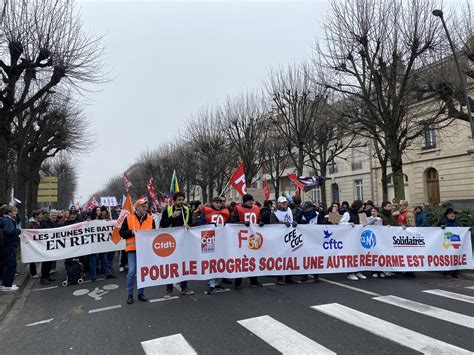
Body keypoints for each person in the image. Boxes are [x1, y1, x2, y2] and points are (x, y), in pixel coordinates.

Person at [120, 198, 155, 304]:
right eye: (143, 206)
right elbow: (122, 233)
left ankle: (141, 293)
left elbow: (154, 233)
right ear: (137, 207)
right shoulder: (128, 218)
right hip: (132, 250)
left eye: (146, 206)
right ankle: (130, 295)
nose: (145, 208)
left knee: (142, 272)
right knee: (131, 272)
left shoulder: (150, 218)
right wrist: (131, 232)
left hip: (144, 250)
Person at [160, 192, 195, 298]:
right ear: (174, 201)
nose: (181, 201)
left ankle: (184, 287)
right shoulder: (168, 210)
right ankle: (169, 289)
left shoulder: (187, 210)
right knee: (170, 265)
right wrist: (173, 216)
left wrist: (189, 225)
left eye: (182, 199)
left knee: (183, 264)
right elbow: (163, 224)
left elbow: (191, 224)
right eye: (179, 199)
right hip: (170, 242)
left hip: (183, 241)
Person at [199, 196, 230, 295]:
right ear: (212, 203)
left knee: (219, 260)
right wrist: (209, 224)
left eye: (220, 202)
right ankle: (212, 283)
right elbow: (199, 223)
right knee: (211, 261)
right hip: (209, 238)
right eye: (216, 202)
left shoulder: (225, 211)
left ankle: (216, 282)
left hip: (221, 239)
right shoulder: (206, 211)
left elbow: (231, 223)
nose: (218, 204)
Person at [231, 194, 263, 289]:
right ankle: (238, 281)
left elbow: (259, 218)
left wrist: (261, 222)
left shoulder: (256, 208)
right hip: (241, 237)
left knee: (253, 259)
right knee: (241, 260)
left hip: (253, 237)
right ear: (245, 201)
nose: (251, 202)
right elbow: (232, 222)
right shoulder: (238, 209)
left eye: (251, 200)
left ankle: (253, 280)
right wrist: (242, 223)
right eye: (249, 200)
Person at [339, 200, 367, 281]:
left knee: (358, 254)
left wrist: (363, 225)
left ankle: (358, 270)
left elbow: (359, 223)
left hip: (357, 237)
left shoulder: (358, 214)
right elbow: (341, 223)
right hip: (349, 238)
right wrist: (349, 224)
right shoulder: (347, 213)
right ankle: (350, 272)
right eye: (361, 206)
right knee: (351, 255)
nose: (362, 208)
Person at [89, 206, 115, 283]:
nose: (99, 211)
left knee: (104, 257)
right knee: (93, 259)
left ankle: (108, 273)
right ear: (94, 211)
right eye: (97, 210)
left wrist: (108, 222)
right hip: (93, 243)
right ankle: (93, 276)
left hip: (101, 242)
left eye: (99, 210)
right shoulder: (90, 219)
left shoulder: (102, 220)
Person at [0, 205, 21, 291]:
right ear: (9, 212)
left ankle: (6, 283)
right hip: (9, 245)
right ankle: (7, 285)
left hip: (7, 246)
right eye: (14, 211)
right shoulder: (8, 221)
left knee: (7, 265)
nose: (16, 212)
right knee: (10, 265)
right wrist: (18, 231)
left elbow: (18, 219)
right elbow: (10, 231)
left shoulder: (5, 220)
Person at [439, 208, 461, 278]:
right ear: (447, 215)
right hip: (447, 244)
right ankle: (447, 272)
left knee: (456, 257)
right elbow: (439, 230)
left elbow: (462, 231)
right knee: (448, 257)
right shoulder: (444, 222)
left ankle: (455, 273)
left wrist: (467, 230)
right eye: (450, 213)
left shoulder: (457, 222)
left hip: (455, 243)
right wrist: (441, 227)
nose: (452, 214)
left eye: (453, 213)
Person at [39, 210, 60, 285]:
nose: (54, 216)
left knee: (50, 261)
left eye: (55, 214)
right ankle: (43, 278)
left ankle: (47, 276)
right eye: (53, 214)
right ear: (49, 215)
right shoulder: (44, 223)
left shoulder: (57, 222)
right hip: (46, 245)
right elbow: (41, 233)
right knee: (45, 262)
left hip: (53, 245)